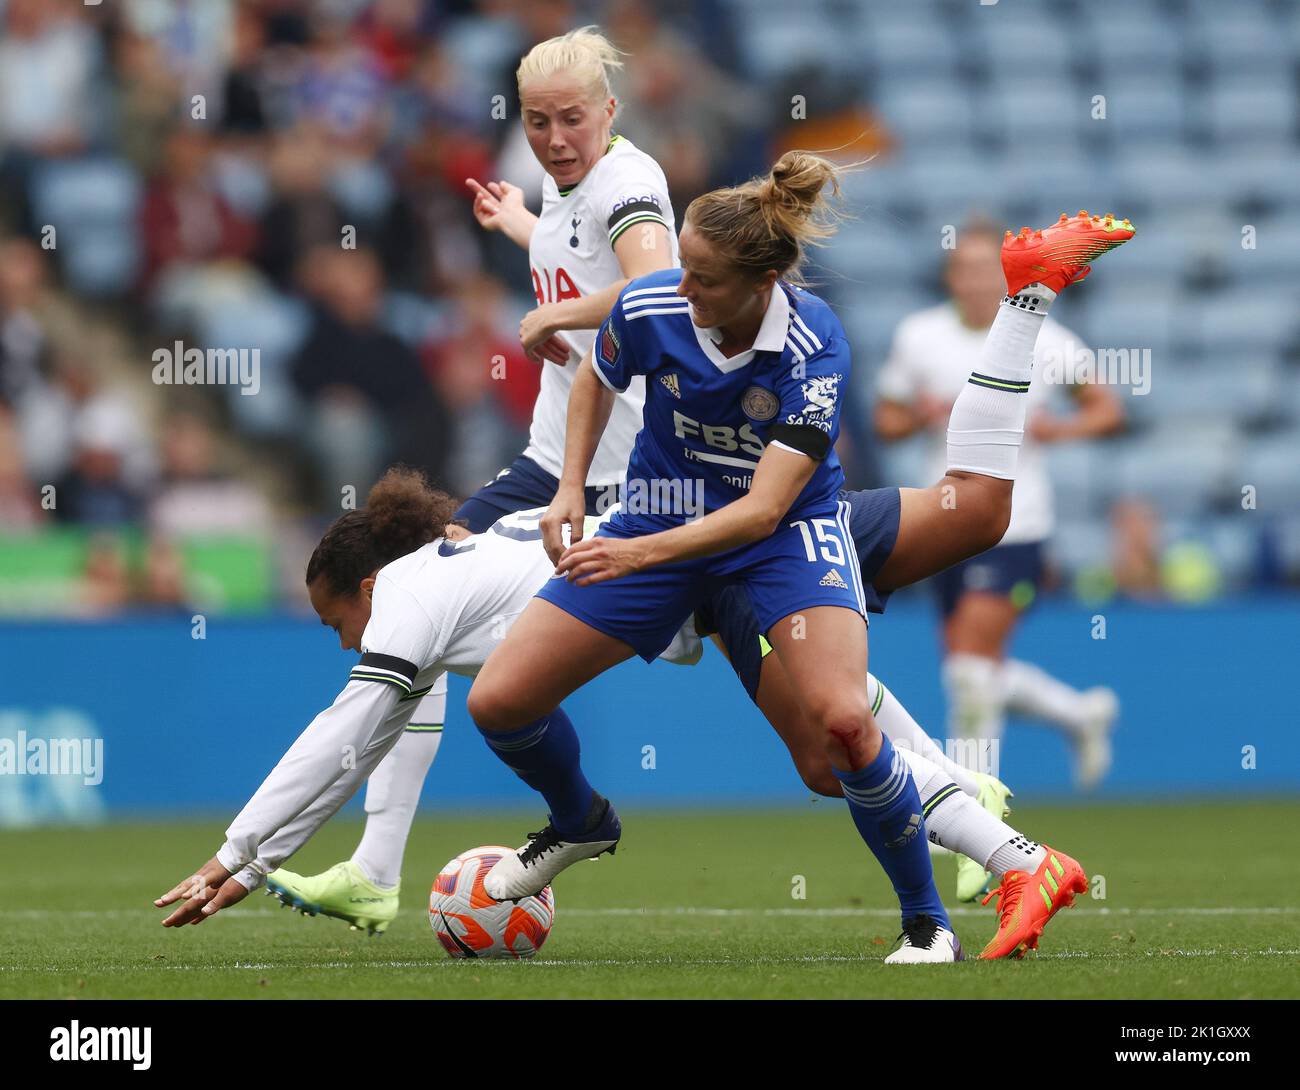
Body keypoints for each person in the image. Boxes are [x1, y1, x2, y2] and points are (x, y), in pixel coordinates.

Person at [463, 160, 1134, 963]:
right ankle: (579, 823)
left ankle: (929, 923)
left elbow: (764, 511)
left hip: (781, 541)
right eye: (682, 267)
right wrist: (571, 487)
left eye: (704, 279)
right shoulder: (650, 303)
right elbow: (594, 381)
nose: (683, 290)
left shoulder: (813, 344)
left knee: (846, 727)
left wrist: (633, 549)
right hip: (663, 530)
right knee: (498, 702)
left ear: (765, 282)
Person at [152, 467, 1085, 961]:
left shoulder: (403, 594)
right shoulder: (448, 574)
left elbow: (348, 734)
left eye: (336, 622)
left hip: (690, 562)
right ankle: (998, 833)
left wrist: (244, 852)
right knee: (827, 748)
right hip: (692, 574)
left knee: (847, 713)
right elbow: (374, 734)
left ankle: (1004, 853)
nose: (346, 642)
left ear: (366, 584)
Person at [316, 25, 680, 907]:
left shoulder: (629, 184)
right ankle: (374, 869)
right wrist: (517, 220)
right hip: (548, 459)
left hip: (631, 477)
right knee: (413, 590)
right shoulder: (564, 187)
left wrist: (555, 322)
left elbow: (655, 286)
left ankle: (941, 789)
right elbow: (576, 258)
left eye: (571, 120)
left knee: (779, 657)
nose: (554, 138)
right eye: (536, 120)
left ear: (610, 113)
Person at [875, 218, 1123, 832]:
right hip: (942, 522)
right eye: (964, 268)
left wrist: (1055, 430)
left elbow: (1106, 409)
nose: (975, 280)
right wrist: (916, 418)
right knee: (970, 672)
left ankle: (966, 813)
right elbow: (886, 419)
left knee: (968, 673)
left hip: (1018, 522)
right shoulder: (920, 336)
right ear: (950, 275)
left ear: (1007, 275)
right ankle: (1078, 712)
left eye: (988, 268)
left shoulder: (1049, 340)